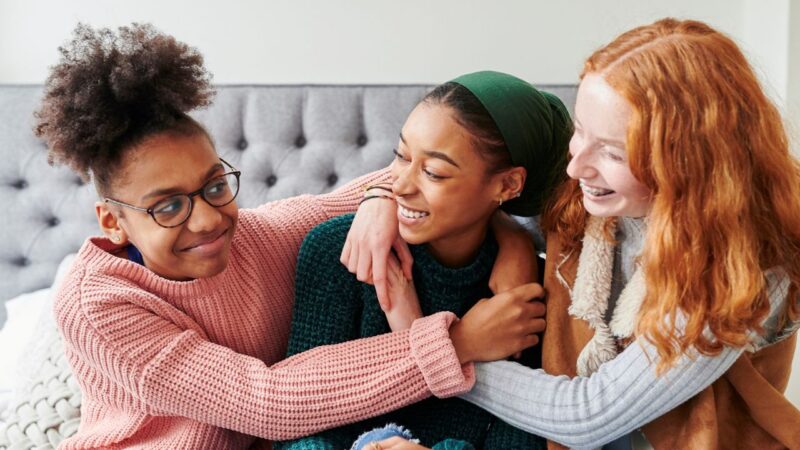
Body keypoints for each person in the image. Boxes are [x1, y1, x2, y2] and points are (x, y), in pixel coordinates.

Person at [38, 24, 547, 449]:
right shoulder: (98, 305)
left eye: (215, 185)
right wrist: (458, 342)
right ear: (111, 219)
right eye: (168, 206)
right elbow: (265, 402)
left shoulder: (260, 237)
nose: (207, 220)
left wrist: (509, 235)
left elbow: (442, 193)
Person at [350, 18, 800, 450]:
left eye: (612, 153)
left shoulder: (750, 270)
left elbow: (587, 414)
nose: (575, 166)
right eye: (580, 131)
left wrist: (437, 346)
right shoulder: (594, 198)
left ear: (688, 163)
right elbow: (482, 197)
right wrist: (377, 197)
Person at [275, 71, 571, 450]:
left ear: (508, 186)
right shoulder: (337, 250)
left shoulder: (527, 291)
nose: (400, 185)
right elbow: (298, 419)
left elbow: (519, 436)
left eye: (433, 172)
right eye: (400, 155)